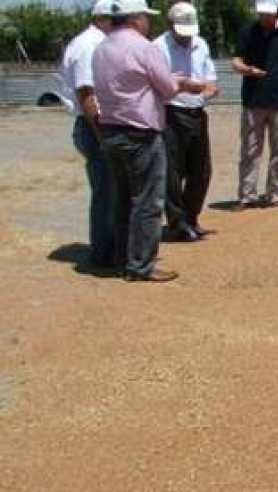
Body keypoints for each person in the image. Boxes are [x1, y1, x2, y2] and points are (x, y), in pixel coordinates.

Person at [93, 0, 205, 282]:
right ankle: (141, 264)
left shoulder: (101, 47)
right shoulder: (144, 47)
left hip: (110, 131)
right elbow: (167, 89)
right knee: (147, 201)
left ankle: (124, 258)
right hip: (140, 133)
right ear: (135, 19)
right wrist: (182, 83)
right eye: (145, 17)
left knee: (122, 199)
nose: (148, 22)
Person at [154, 2, 219, 243]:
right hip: (171, 112)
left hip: (197, 110)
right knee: (173, 171)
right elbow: (157, 84)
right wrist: (182, 86)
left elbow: (210, 77)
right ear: (170, 25)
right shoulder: (158, 48)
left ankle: (191, 218)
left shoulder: (201, 44)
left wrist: (209, 90)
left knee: (201, 170)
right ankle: (177, 223)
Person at [59, 0, 115, 267]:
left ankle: (108, 247)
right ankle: (104, 252)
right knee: (106, 189)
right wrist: (103, 136)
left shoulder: (91, 41)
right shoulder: (90, 44)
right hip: (94, 127)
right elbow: (86, 93)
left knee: (109, 188)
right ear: (106, 18)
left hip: (94, 126)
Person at [232, 0, 278, 209]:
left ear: (277, 11)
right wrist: (248, 70)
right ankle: (247, 195)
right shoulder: (248, 31)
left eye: (268, 14)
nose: (265, 18)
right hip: (254, 100)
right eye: (262, 14)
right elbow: (236, 61)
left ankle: (275, 194)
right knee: (250, 149)